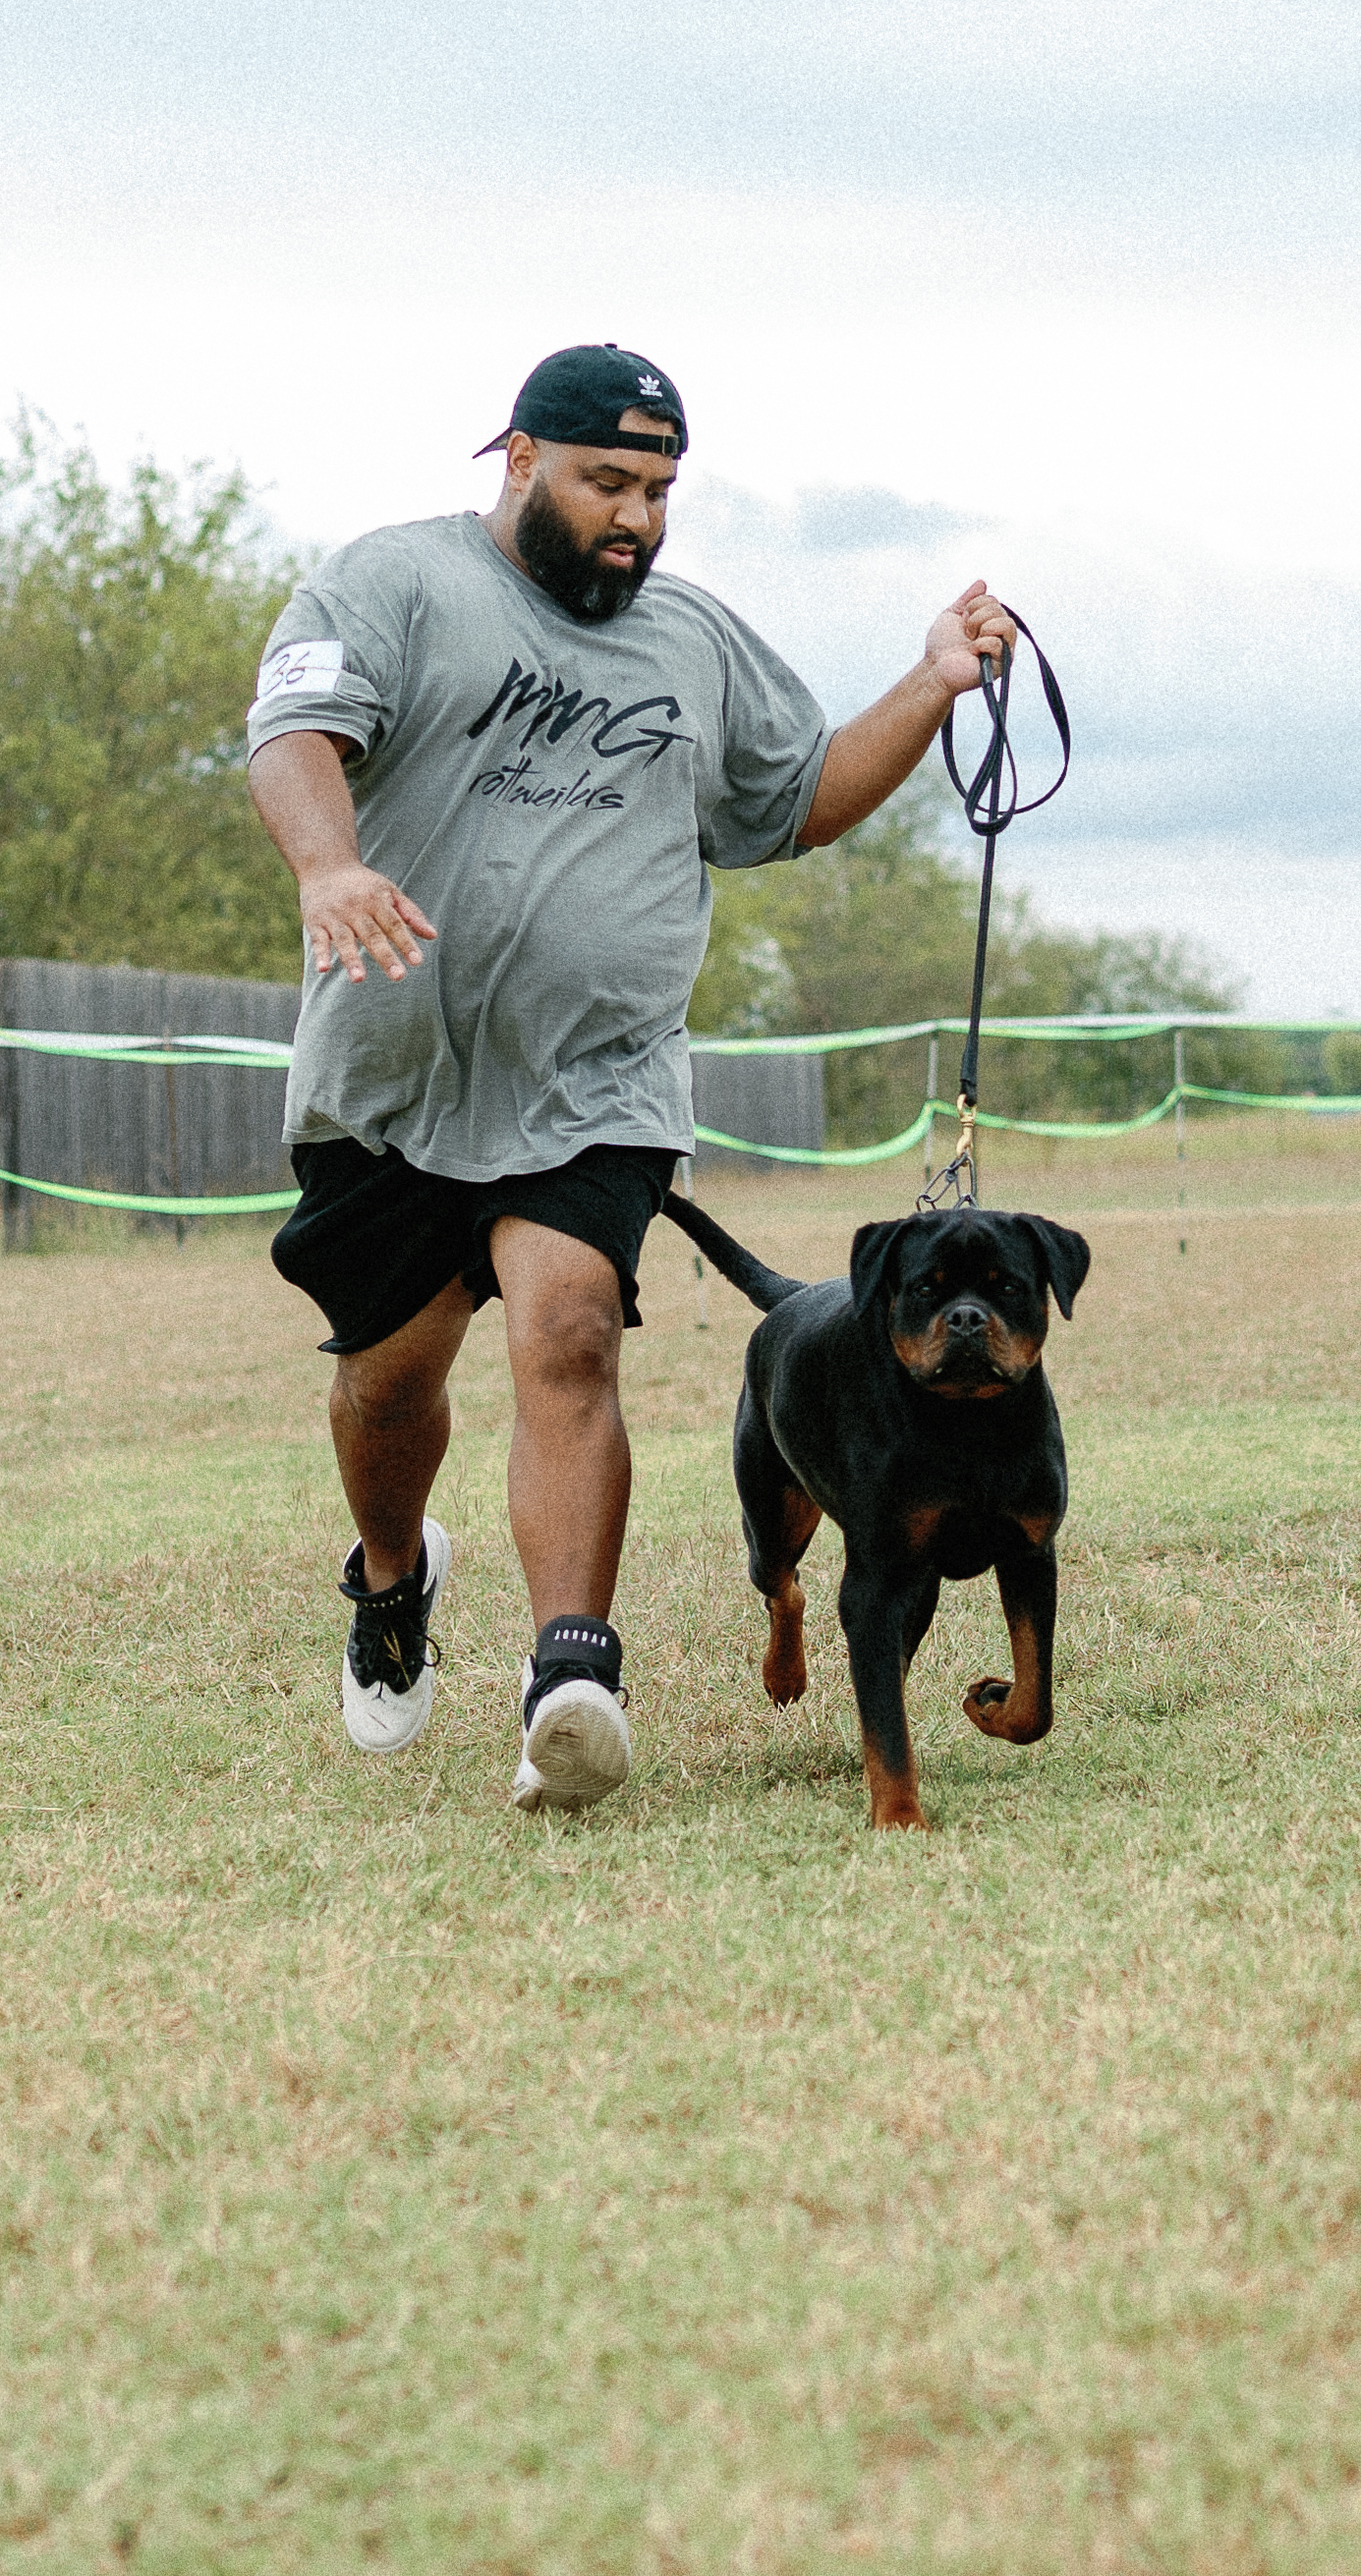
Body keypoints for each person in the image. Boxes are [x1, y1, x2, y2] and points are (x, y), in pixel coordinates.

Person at [246, 344, 1017, 1813]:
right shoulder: (394, 583)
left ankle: (568, 1677)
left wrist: (928, 683)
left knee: (572, 1333)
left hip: (597, 1081)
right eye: (608, 481)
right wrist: (330, 864)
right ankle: (395, 1573)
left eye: (659, 490)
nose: (636, 519)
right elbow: (292, 733)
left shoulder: (692, 642)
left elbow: (796, 803)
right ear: (518, 457)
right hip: (397, 1072)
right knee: (389, 1390)